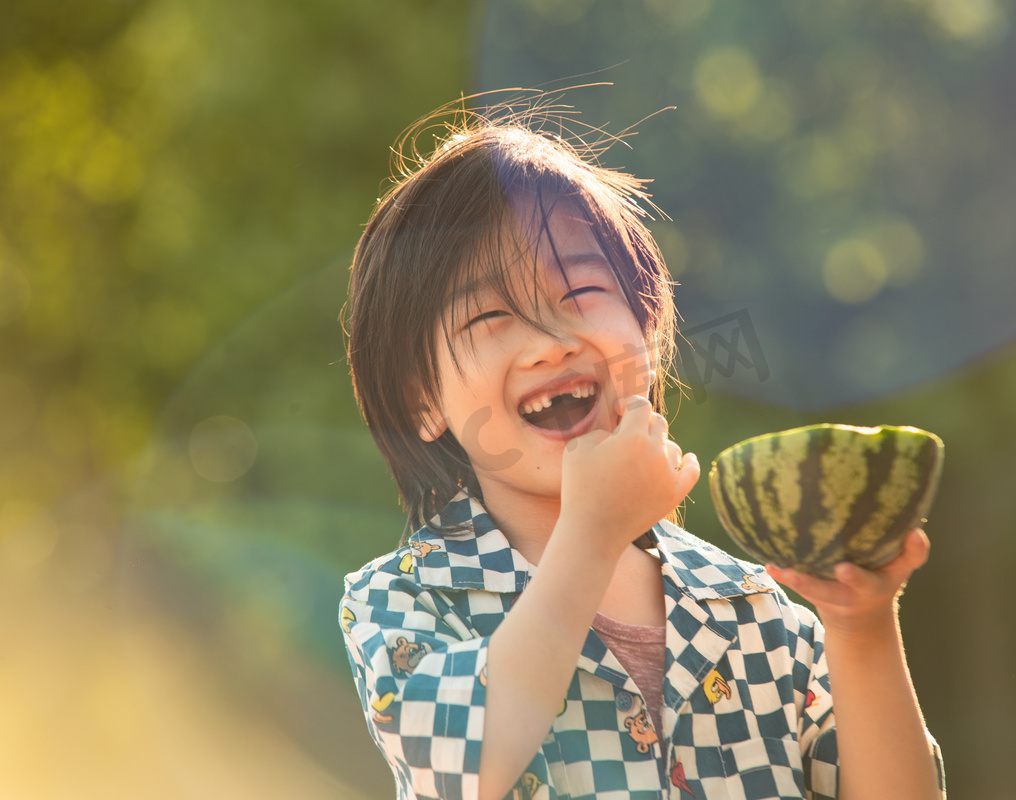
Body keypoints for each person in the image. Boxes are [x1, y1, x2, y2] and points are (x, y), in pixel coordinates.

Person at [338, 101, 946, 800]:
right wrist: (591, 530)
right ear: (422, 400)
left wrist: (861, 627)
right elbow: (468, 766)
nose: (553, 339)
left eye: (581, 290)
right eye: (491, 315)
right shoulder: (402, 600)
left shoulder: (753, 608)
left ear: (649, 331)